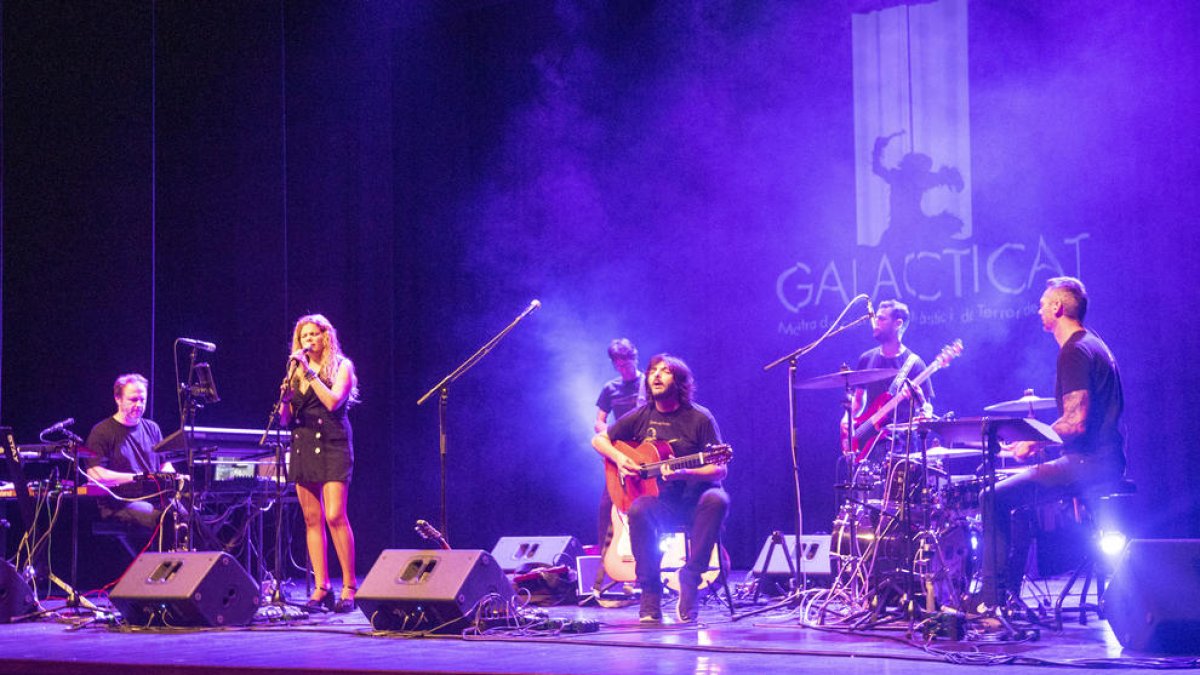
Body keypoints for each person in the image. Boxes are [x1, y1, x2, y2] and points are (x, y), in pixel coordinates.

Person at [980, 277, 1126, 608]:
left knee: (990, 497)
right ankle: (1007, 596)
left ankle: (990, 603)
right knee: (1012, 498)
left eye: (1044, 304)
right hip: (1104, 459)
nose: (1039, 309)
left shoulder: (1074, 351)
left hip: (1090, 464)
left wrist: (1032, 442)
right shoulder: (1092, 343)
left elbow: (1075, 422)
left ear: (1058, 307)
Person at [591, 354, 728, 623]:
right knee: (639, 508)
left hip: (696, 501)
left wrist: (685, 473)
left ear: (678, 382)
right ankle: (650, 591)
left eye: (664, 371)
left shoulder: (700, 418)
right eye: (653, 370)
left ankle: (690, 577)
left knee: (719, 499)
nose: (655, 375)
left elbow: (720, 469)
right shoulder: (641, 416)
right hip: (661, 502)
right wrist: (621, 459)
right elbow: (600, 440)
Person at [279, 314, 360, 613]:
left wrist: (310, 374)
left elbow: (333, 402)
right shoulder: (295, 372)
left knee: (336, 515)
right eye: (303, 336)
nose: (308, 340)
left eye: (314, 334)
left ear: (326, 337)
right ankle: (321, 587)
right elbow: (285, 420)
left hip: (332, 443)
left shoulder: (341, 366)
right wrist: (286, 400)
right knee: (312, 519)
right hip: (302, 444)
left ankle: (349, 587)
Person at [583, 339, 647, 601]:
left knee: (642, 510)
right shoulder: (610, 388)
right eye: (618, 364)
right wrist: (607, 433)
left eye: (627, 362)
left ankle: (644, 572)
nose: (624, 368)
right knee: (606, 508)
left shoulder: (646, 384)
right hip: (618, 454)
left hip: (643, 455)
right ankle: (609, 568)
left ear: (635, 357)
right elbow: (599, 420)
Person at [85, 374, 179, 535]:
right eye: (133, 399)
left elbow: (165, 464)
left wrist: (174, 477)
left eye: (142, 400)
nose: (139, 404)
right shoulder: (101, 431)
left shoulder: (153, 428)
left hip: (155, 498)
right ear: (118, 398)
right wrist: (138, 477)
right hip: (121, 503)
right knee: (163, 519)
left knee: (189, 515)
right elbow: (95, 475)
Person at [842, 299, 935, 460]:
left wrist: (924, 413)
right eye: (876, 317)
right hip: (868, 439)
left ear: (898, 323)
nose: (875, 322)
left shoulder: (914, 363)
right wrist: (847, 420)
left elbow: (927, 408)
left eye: (882, 319)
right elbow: (858, 400)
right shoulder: (866, 358)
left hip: (902, 445)